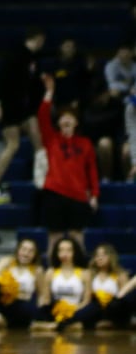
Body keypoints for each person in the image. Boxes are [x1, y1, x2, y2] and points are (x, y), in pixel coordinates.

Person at [0, 28, 46, 203]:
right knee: (13, 145)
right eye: (42, 41)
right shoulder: (15, 55)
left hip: (23, 108)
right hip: (9, 106)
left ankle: (42, 178)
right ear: (38, 38)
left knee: (37, 138)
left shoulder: (34, 59)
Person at [36, 72, 99, 253]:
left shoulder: (85, 143)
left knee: (77, 238)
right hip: (54, 192)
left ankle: (79, 276)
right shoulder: (51, 139)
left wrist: (94, 194)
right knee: (54, 237)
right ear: (59, 122)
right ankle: (49, 278)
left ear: (76, 122)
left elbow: (92, 170)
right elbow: (42, 117)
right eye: (63, 117)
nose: (66, 120)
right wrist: (49, 93)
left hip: (79, 195)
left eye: (70, 117)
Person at [0, 237, 42, 330]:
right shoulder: (8, 262)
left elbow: (43, 296)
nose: (26, 253)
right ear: (18, 250)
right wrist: (4, 263)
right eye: (23, 249)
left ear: (35, 255)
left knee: (25, 308)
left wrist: (37, 314)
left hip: (23, 306)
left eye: (30, 251)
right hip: (4, 304)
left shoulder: (37, 270)